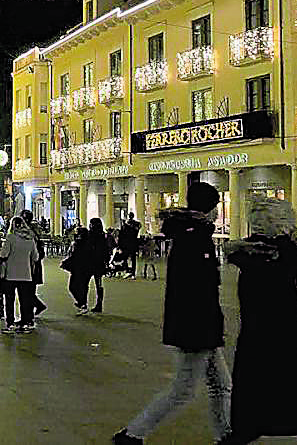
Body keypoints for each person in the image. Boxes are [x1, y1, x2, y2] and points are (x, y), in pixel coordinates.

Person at [114, 182, 231, 445]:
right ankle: (133, 433)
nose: (216, 212)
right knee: (184, 389)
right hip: (196, 327)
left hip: (202, 324)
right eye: (215, 207)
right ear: (207, 208)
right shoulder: (193, 237)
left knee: (221, 385)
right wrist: (205, 325)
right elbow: (195, 288)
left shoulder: (194, 234)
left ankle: (226, 435)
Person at [218, 197, 297, 445]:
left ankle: (257, 428)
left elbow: (237, 252)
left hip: (269, 331)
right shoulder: (278, 252)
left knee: (276, 384)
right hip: (278, 330)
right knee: (288, 384)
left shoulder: (268, 254)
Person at [0, 216, 40, 334]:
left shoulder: (10, 237)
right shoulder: (30, 239)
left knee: (10, 301)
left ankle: (10, 324)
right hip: (26, 274)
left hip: (11, 275)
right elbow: (35, 257)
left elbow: (4, 254)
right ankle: (25, 323)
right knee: (25, 300)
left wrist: (0, 252)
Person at [20, 210, 48, 317]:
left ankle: (30, 315)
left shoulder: (30, 234)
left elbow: (37, 253)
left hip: (31, 266)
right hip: (31, 265)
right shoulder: (33, 232)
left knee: (28, 292)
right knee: (29, 291)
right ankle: (32, 312)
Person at [83, 217, 109, 313]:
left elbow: (86, 248)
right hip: (99, 264)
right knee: (99, 285)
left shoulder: (89, 235)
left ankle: (84, 303)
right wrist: (106, 262)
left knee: (85, 284)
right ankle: (99, 304)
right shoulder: (102, 236)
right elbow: (106, 250)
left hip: (90, 263)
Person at [63, 227, 91, 315]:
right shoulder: (89, 243)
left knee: (72, 287)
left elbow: (73, 255)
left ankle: (82, 303)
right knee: (84, 286)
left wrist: (66, 262)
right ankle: (83, 304)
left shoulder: (77, 243)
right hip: (87, 268)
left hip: (78, 268)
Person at [119, 212, 142, 279]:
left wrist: (120, 244)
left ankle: (128, 271)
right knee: (131, 259)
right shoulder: (135, 224)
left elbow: (122, 235)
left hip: (128, 243)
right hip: (132, 243)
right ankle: (132, 273)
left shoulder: (126, 224)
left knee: (127, 258)